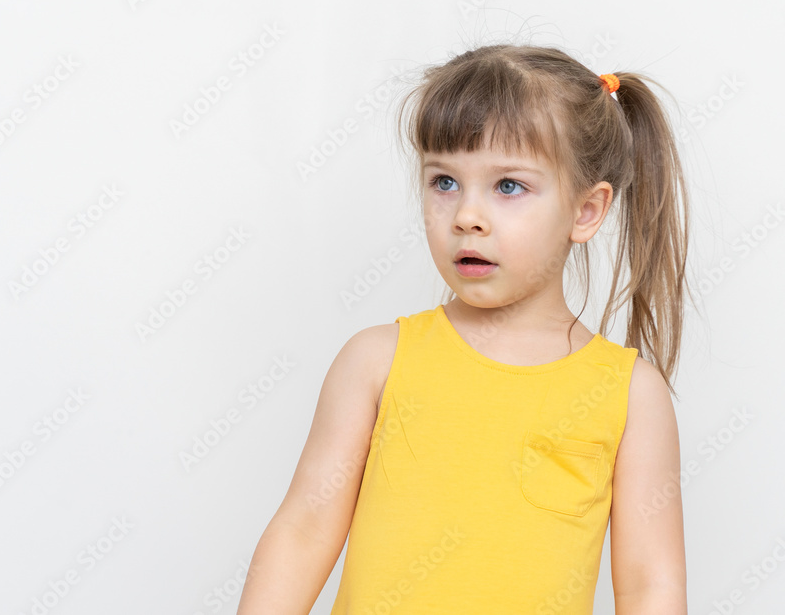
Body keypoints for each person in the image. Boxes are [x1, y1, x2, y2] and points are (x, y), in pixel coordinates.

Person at [237, 43, 691, 614]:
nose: (465, 216)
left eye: (508, 186)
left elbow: (651, 583)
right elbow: (304, 529)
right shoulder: (377, 361)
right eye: (444, 181)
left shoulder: (629, 393)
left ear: (586, 211)